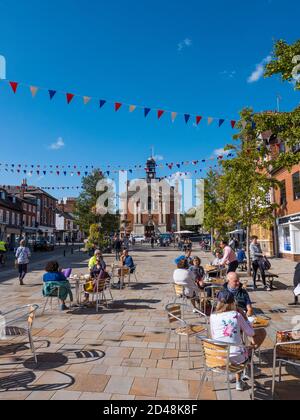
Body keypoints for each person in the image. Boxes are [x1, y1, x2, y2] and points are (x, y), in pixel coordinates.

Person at [210, 291, 255, 392]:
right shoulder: (236, 315)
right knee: (245, 346)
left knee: (234, 345)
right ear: (233, 302)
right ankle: (240, 379)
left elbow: (214, 336)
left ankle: (238, 377)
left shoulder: (212, 317)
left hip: (217, 357)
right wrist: (245, 318)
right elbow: (251, 332)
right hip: (236, 358)